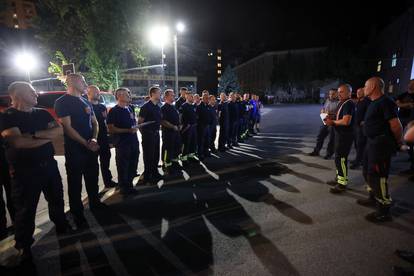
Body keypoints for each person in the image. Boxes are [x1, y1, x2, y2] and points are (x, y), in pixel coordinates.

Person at [1, 82, 72, 263]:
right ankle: (24, 245)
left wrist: (31, 135)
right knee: (25, 209)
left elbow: (58, 131)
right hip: (25, 171)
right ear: (18, 94)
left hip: (49, 165)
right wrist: (44, 136)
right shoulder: (8, 116)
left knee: (56, 198)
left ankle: (61, 225)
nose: (36, 95)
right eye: (32, 92)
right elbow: (18, 143)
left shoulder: (41, 112)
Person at [55, 73, 104, 229]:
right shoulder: (62, 102)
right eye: (82, 81)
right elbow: (67, 128)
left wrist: (94, 139)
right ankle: (78, 215)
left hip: (90, 148)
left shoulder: (85, 101)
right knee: (75, 183)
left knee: (92, 177)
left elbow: (95, 123)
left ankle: (95, 203)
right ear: (72, 82)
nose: (85, 83)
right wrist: (85, 143)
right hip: (75, 150)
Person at [356, 77, 402, 222]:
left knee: (378, 176)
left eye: (365, 85)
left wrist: (398, 142)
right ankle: (373, 197)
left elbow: (396, 125)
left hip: (381, 145)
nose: (364, 88)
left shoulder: (385, 102)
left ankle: (384, 210)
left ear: (374, 86)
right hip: (372, 143)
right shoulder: (373, 102)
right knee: (367, 171)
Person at [107, 88, 139, 196]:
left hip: (133, 142)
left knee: (132, 165)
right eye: (126, 94)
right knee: (123, 166)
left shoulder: (130, 108)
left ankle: (129, 185)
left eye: (129, 94)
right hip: (122, 143)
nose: (129, 96)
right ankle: (123, 188)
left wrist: (135, 127)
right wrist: (128, 130)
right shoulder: (113, 111)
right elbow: (111, 128)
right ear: (119, 96)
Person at [325, 84, 355, 193]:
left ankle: (342, 184)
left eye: (341, 92)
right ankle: (339, 179)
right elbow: (340, 117)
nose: (339, 94)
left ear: (349, 92)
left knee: (341, 159)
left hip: (345, 136)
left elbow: (346, 121)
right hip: (340, 134)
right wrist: (330, 117)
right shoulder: (342, 103)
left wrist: (332, 122)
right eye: (338, 92)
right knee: (338, 158)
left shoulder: (349, 103)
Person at [86, 85, 117, 188]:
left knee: (105, 160)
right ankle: (94, 187)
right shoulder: (86, 106)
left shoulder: (102, 106)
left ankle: (108, 181)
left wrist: (110, 138)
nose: (98, 94)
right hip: (92, 138)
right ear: (88, 93)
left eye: (98, 92)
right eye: (95, 92)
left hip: (103, 137)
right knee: (93, 164)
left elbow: (105, 122)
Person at [138, 86, 162, 185]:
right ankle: (147, 177)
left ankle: (155, 173)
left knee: (156, 155)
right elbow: (140, 123)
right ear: (153, 94)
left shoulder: (157, 106)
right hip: (148, 135)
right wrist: (145, 134)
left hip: (156, 134)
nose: (160, 94)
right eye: (159, 93)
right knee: (149, 157)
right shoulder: (145, 107)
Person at [309, 89, 338, 159]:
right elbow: (324, 108)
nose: (331, 95)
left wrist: (330, 113)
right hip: (325, 120)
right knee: (320, 136)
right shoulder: (327, 100)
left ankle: (329, 154)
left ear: (337, 94)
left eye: (333, 94)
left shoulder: (339, 102)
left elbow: (339, 113)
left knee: (331, 139)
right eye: (330, 94)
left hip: (333, 122)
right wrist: (322, 111)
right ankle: (316, 151)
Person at [161, 89, 181, 175]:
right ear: (166, 97)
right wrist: (173, 126)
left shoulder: (173, 106)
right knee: (168, 150)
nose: (174, 96)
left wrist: (179, 125)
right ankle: (167, 166)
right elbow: (163, 121)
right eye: (172, 95)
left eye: (173, 95)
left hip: (176, 132)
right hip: (168, 133)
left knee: (176, 149)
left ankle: (175, 164)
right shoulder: (164, 108)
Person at [350, 88, 371, 169]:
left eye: (360, 92)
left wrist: (365, 121)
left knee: (360, 145)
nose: (358, 93)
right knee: (357, 144)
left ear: (364, 92)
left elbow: (370, 113)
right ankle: (360, 160)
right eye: (357, 92)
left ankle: (358, 162)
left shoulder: (367, 101)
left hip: (362, 128)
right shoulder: (359, 101)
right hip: (356, 126)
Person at [0, 121, 14, 241]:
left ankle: (18, 226)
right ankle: (2, 230)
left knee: (13, 196)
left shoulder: (3, 118)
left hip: (6, 163)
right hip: (6, 163)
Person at [396, 79, 414, 172]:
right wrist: (408, 104)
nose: (411, 85)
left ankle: (411, 159)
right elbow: (397, 104)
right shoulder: (403, 95)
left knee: (409, 140)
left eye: (413, 84)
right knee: (400, 137)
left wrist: (403, 105)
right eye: (410, 83)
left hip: (411, 121)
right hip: (401, 118)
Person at [179, 92, 198, 164]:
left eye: (192, 96)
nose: (192, 98)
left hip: (193, 127)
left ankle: (191, 157)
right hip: (187, 128)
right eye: (191, 96)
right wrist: (184, 126)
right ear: (186, 97)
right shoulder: (183, 106)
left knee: (193, 143)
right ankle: (184, 159)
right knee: (186, 144)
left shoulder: (193, 106)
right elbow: (180, 118)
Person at [196, 91, 211, 160]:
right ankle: (200, 154)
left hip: (207, 126)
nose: (207, 99)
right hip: (201, 126)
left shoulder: (208, 106)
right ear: (202, 98)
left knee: (207, 140)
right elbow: (197, 117)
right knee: (201, 141)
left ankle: (206, 152)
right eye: (206, 98)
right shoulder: (199, 106)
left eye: (208, 98)